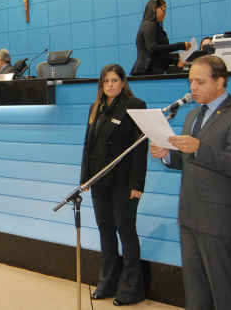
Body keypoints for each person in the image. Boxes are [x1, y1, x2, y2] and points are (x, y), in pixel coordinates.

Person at [149, 55, 231, 310]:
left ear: (220, 82)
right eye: (190, 82)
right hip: (189, 213)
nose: (192, 88)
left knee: (223, 287)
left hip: (217, 217)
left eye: (199, 81)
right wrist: (168, 156)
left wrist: (198, 149)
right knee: (195, 287)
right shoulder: (192, 115)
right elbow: (188, 160)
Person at [80, 64, 148, 306]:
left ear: (123, 83)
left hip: (124, 183)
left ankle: (131, 290)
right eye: (106, 81)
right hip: (99, 182)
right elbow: (88, 146)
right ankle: (107, 284)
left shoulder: (134, 105)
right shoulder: (95, 108)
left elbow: (141, 148)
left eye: (115, 80)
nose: (110, 85)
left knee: (126, 232)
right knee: (105, 231)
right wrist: (85, 178)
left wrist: (137, 183)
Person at [130, 0, 191, 76]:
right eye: (163, 9)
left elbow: (157, 55)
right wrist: (179, 45)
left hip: (151, 71)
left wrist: (174, 61)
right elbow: (153, 49)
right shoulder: (150, 25)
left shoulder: (154, 26)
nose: (165, 13)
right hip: (146, 71)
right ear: (153, 8)